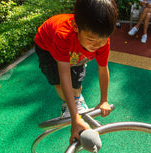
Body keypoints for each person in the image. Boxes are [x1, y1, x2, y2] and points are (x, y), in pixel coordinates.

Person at [34, 0, 118, 143]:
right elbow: (64, 75)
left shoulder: (101, 41)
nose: (97, 46)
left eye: (103, 40)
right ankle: (67, 104)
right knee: (59, 82)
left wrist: (104, 100)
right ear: (75, 27)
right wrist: (75, 117)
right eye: (91, 39)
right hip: (48, 47)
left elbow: (103, 68)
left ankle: (77, 99)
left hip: (76, 51)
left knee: (77, 85)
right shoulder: (63, 35)